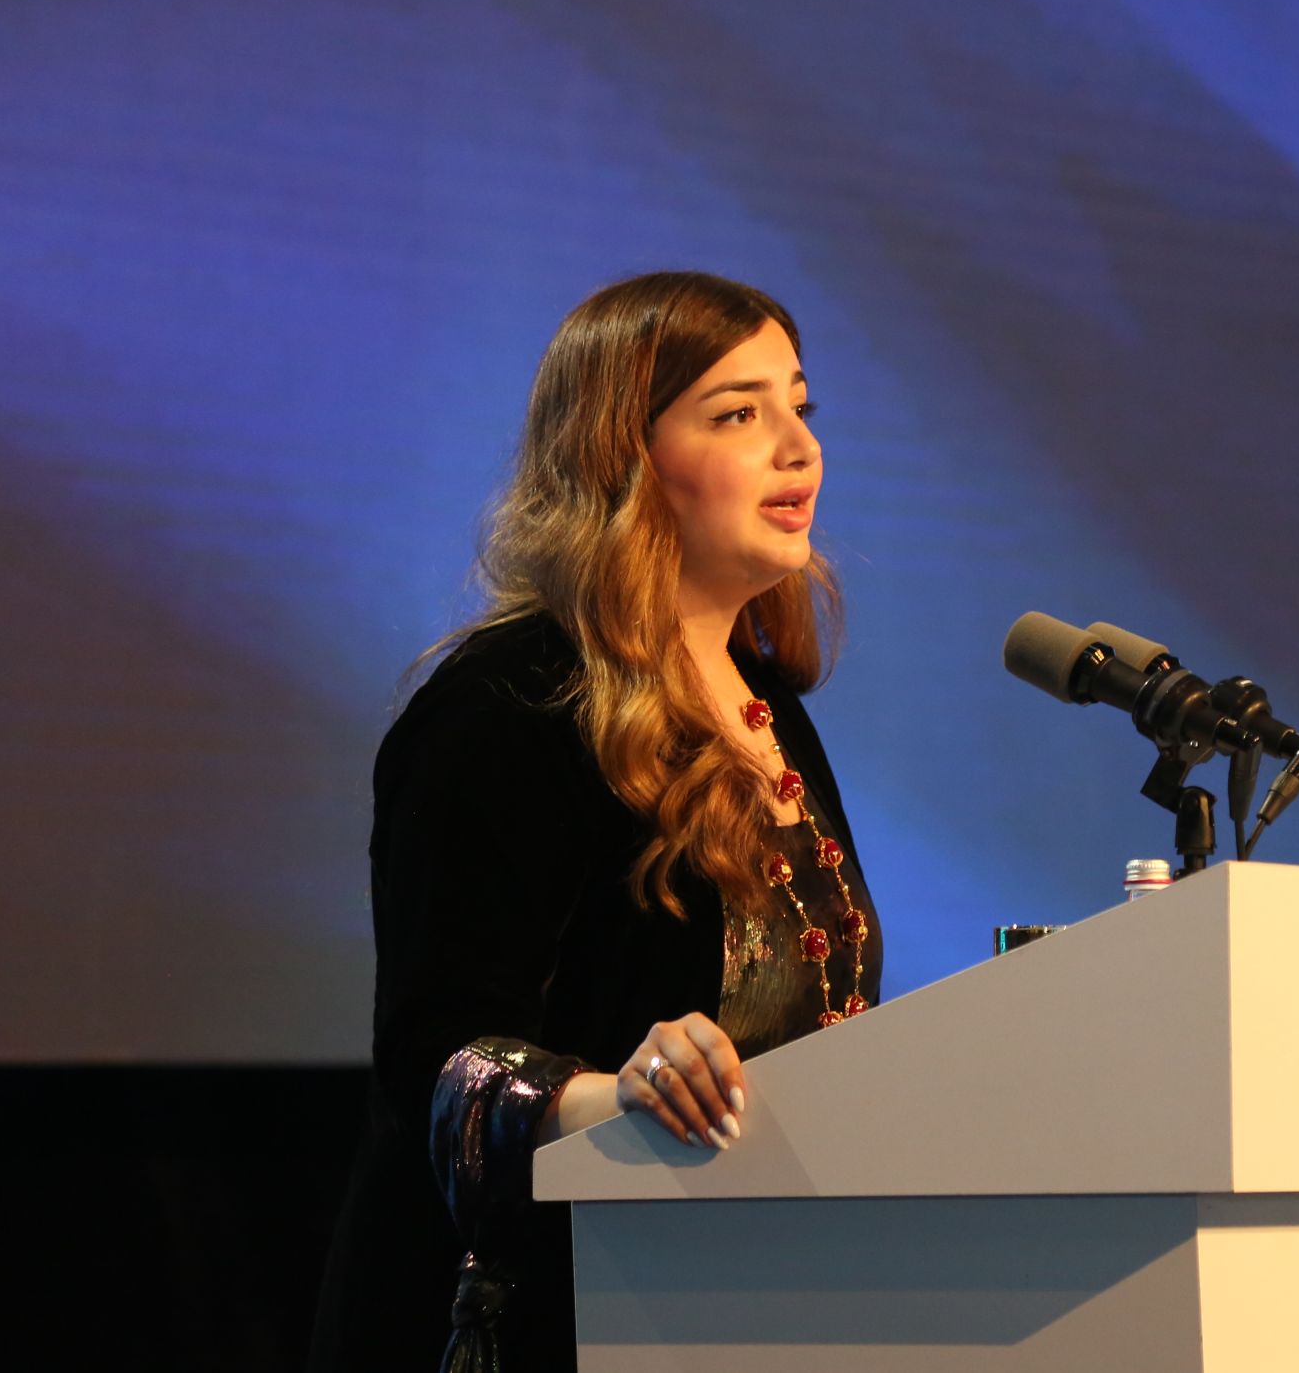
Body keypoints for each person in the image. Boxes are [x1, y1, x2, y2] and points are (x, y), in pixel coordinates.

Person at [308, 272, 883, 1371]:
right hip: (540, 1313)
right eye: (738, 413)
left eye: (799, 405)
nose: (799, 447)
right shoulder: (507, 704)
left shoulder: (771, 704)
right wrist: (615, 1093)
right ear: (626, 456)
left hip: (737, 1304)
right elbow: (437, 1054)